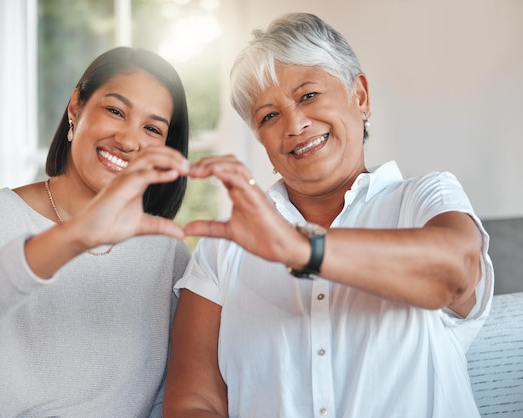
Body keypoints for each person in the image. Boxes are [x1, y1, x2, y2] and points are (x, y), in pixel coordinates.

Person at [164, 12, 494, 418]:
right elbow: (194, 403)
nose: (295, 123)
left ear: (360, 96)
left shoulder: (423, 199)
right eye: (268, 116)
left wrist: (305, 249)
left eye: (308, 96)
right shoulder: (221, 248)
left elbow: (457, 273)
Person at [0, 46, 191, 417]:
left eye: (152, 128)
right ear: (76, 105)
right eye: (115, 111)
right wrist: (74, 236)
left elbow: (167, 394)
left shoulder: (166, 252)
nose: (129, 141)